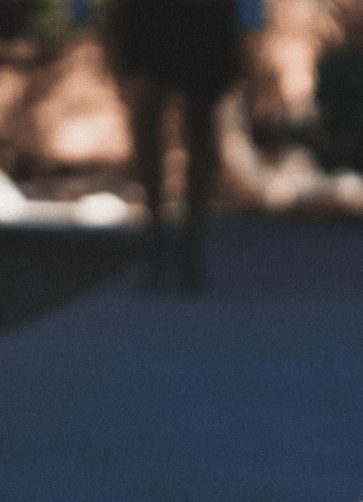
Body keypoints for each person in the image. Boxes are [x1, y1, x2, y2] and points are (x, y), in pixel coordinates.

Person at [108, 0, 260, 290]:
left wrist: (249, 20)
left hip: (202, 14)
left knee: (198, 124)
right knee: (149, 118)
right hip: (152, 15)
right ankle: (157, 238)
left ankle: (191, 244)